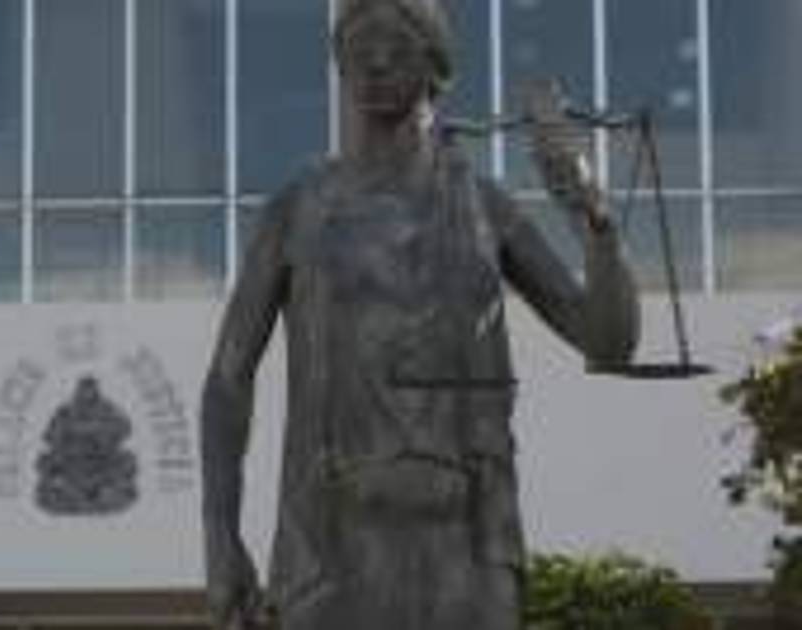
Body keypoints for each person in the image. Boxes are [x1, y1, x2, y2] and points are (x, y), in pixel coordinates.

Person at [199, 0, 640, 628]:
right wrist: (219, 535)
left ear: (436, 67)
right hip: (331, 549)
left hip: (467, 548)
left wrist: (592, 216)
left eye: (397, 46)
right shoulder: (297, 210)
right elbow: (227, 380)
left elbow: (609, 342)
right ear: (341, 65)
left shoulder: (484, 207)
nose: (377, 62)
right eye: (359, 48)